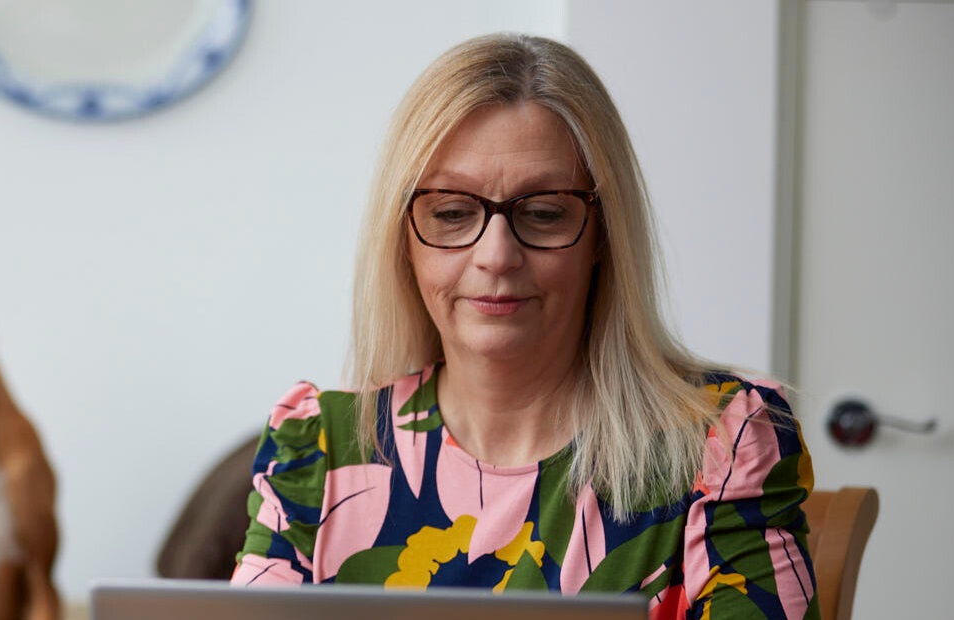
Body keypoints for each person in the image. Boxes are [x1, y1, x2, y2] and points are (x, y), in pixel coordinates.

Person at [230, 33, 818, 620]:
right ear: (403, 238)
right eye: (453, 213)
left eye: (542, 213)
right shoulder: (316, 449)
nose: (497, 255)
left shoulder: (722, 444)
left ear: (603, 237)